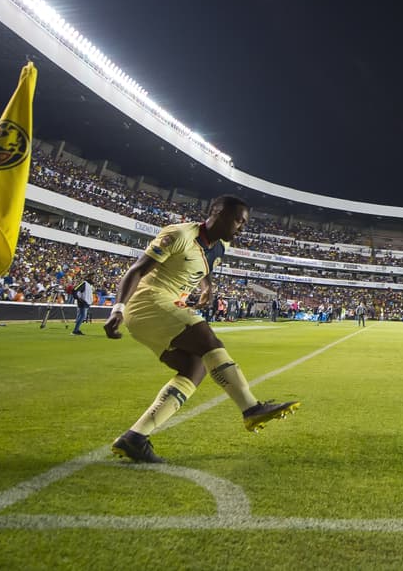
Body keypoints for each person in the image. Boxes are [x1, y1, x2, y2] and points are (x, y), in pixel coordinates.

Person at [104, 195, 299, 463]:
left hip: (160, 312)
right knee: (207, 338)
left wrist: (208, 287)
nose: (241, 227)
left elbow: (204, 266)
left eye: (244, 223)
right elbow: (136, 270)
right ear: (217, 212)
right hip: (147, 302)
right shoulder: (179, 234)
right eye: (237, 220)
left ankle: (135, 438)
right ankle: (251, 408)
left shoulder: (220, 249)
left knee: (194, 368)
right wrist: (118, 308)